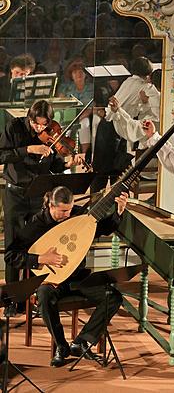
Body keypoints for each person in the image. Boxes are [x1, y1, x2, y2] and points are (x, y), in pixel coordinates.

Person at [5, 186, 128, 368]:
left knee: (113, 297)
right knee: (44, 295)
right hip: (53, 280)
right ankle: (61, 346)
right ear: (50, 206)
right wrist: (40, 258)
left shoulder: (78, 216)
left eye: (69, 210)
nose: (67, 214)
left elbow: (102, 228)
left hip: (78, 278)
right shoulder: (36, 225)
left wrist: (118, 212)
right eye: (62, 211)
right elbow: (11, 255)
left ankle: (82, 341)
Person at [0, 100, 82, 315]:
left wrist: (68, 163)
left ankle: (33, 299)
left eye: (44, 125)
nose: (41, 130)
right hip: (15, 194)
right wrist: (28, 149)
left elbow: (54, 164)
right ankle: (11, 302)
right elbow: (2, 155)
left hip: (38, 196)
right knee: (14, 247)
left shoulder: (50, 133)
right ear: (30, 118)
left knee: (38, 246)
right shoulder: (14, 127)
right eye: (36, 125)